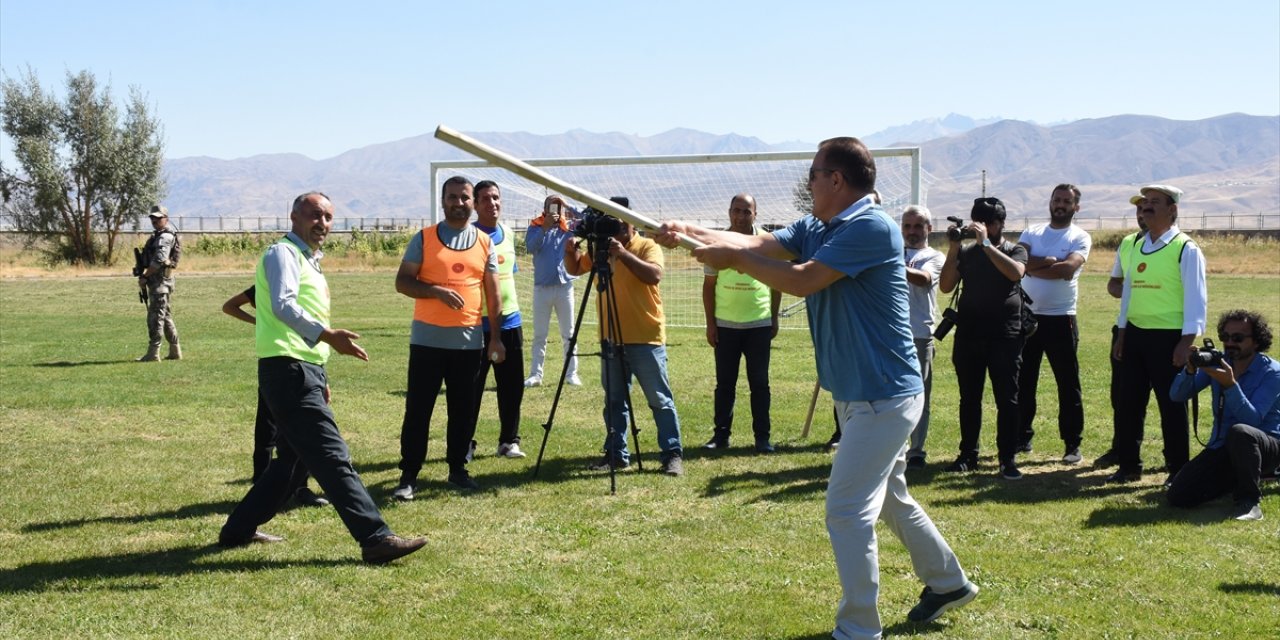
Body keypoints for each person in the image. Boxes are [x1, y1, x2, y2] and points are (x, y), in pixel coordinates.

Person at [657, 137, 976, 639]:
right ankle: (948, 582)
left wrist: (727, 258)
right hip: (862, 394)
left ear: (837, 181)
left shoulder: (870, 227)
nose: (808, 181)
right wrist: (686, 231)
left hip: (884, 396)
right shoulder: (821, 225)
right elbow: (756, 243)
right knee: (891, 499)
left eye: (813, 173)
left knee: (846, 511)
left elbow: (803, 280)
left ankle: (858, 629)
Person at [218, 192, 425, 564]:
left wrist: (320, 369)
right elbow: (284, 306)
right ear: (294, 215)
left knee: (291, 463)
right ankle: (375, 537)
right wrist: (328, 337)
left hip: (301, 368)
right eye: (315, 215)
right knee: (331, 455)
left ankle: (238, 529)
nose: (323, 224)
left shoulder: (309, 261)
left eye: (329, 217)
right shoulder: (283, 253)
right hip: (289, 369)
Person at [392, 176, 505, 498]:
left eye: (464, 197)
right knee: (418, 410)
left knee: (463, 410)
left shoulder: (485, 243)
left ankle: (457, 469)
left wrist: (495, 338)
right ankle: (409, 476)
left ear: (473, 202)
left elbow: (493, 297)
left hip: (468, 343)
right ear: (442, 202)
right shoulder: (424, 238)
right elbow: (402, 282)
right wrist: (434, 292)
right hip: (427, 342)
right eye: (452, 197)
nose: (459, 203)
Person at [564, 198, 685, 476]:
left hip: (646, 336)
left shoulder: (647, 245)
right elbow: (575, 268)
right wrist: (570, 252)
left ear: (630, 220)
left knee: (659, 399)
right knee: (614, 400)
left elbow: (654, 275)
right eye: (610, 221)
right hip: (610, 336)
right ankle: (616, 454)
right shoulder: (599, 248)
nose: (615, 227)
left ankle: (672, 454)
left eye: (619, 221)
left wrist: (623, 254)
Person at [1110, 184, 1208, 485]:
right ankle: (1129, 466)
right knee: (1128, 403)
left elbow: (1196, 297)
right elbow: (1127, 294)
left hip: (1169, 338)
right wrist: (1123, 332)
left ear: (1173, 210)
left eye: (1155, 202)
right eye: (1145, 203)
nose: (1147, 207)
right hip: (1136, 335)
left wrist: (1186, 342)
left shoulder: (1185, 248)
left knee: (1172, 405)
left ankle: (1178, 470)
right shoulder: (1137, 245)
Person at [939, 197, 1030, 480]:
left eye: (989, 222)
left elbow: (1015, 274)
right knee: (969, 398)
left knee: (1008, 399)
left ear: (1001, 224)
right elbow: (945, 286)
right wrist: (954, 247)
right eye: (980, 222)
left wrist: (987, 245)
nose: (984, 228)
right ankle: (968, 454)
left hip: (1005, 335)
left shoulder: (1015, 249)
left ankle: (1007, 458)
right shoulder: (966, 253)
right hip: (969, 334)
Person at [1167, 310, 1280, 521]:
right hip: (1222, 447)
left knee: (1240, 432)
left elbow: (1253, 421)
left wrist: (1230, 385)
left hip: (1268, 446)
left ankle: (1249, 502)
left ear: (1256, 342)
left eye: (1238, 338)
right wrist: (1190, 370)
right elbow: (1176, 395)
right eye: (1225, 337)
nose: (1230, 343)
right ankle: (1240, 477)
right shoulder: (1218, 363)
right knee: (1178, 496)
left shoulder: (1273, 372)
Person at [222, 286, 328, 507]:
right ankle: (261, 487)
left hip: (304, 361)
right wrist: (258, 321)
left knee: (301, 431)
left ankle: (300, 487)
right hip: (276, 361)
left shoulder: (304, 287)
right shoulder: (268, 285)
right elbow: (229, 306)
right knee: (267, 429)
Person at [1016, 184, 1092, 464]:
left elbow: (1068, 269)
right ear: (1050, 202)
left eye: (1067, 201)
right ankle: (1021, 437)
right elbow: (1018, 261)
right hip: (1027, 318)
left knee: (1068, 383)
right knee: (1023, 381)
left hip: (1061, 319)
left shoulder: (1079, 236)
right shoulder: (1031, 232)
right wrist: (1049, 262)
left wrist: (1035, 266)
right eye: (1057, 199)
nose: (1060, 204)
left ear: (1076, 207)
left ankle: (1072, 444)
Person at [701, 194, 781, 454]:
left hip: (758, 323)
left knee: (760, 383)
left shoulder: (767, 243)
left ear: (755, 214)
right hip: (726, 325)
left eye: (747, 211)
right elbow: (709, 286)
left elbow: (777, 283)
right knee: (725, 384)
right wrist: (710, 323)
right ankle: (720, 436)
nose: (740, 216)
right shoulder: (717, 244)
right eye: (736, 210)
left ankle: (762, 438)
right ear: (729, 212)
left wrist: (774, 316)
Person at [469, 181, 528, 459]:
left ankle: (508, 442)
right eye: (485, 199)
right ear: (475, 205)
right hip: (475, 324)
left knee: (512, 387)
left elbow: (508, 275)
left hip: (511, 322)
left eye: (496, 198)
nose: (492, 203)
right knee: (471, 389)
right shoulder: (468, 237)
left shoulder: (507, 234)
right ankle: (464, 442)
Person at [1096, 195, 1149, 468]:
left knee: (1169, 399)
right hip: (1126, 329)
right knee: (1123, 396)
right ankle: (1122, 450)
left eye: (1148, 208)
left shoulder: (1180, 245)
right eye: (1139, 209)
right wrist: (1131, 290)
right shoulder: (1128, 243)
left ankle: (1173, 460)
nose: (1142, 213)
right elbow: (1113, 284)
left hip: (1162, 331)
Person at [899, 205, 946, 469]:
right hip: (889, 334)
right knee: (890, 395)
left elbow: (924, 279)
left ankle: (916, 450)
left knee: (919, 396)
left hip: (919, 335)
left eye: (918, 226)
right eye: (907, 226)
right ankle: (892, 446)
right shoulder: (893, 252)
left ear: (929, 228)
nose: (912, 231)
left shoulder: (934, 256)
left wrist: (891, 262)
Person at [524, 194, 581, 388]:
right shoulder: (535, 226)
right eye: (552, 206)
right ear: (545, 208)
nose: (556, 211)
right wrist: (545, 228)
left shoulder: (569, 227)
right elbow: (531, 247)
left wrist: (568, 204)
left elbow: (584, 219)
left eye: (559, 207)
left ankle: (571, 374)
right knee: (540, 335)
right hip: (542, 289)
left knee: (569, 333)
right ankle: (535, 375)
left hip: (564, 288)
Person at [137, 205, 181, 361]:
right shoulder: (157, 235)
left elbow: (159, 260)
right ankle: (175, 351)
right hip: (159, 283)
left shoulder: (165, 237)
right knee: (165, 316)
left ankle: (153, 353)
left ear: (166, 219)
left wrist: (145, 277)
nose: (155, 221)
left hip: (160, 283)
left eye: (158, 218)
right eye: (152, 218)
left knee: (155, 318)